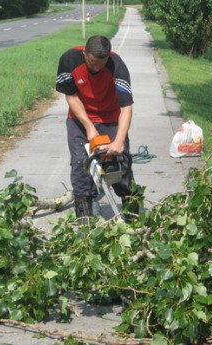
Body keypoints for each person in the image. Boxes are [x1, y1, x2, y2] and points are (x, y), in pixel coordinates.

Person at [55, 35, 138, 222]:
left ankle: (134, 221)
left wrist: (118, 141)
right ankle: (84, 223)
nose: (97, 68)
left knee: (120, 166)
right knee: (80, 166)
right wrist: (89, 127)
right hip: (79, 117)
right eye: (92, 64)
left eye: (101, 64)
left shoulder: (118, 66)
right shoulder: (69, 61)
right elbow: (71, 97)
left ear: (108, 56)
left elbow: (126, 108)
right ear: (85, 53)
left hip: (111, 118)